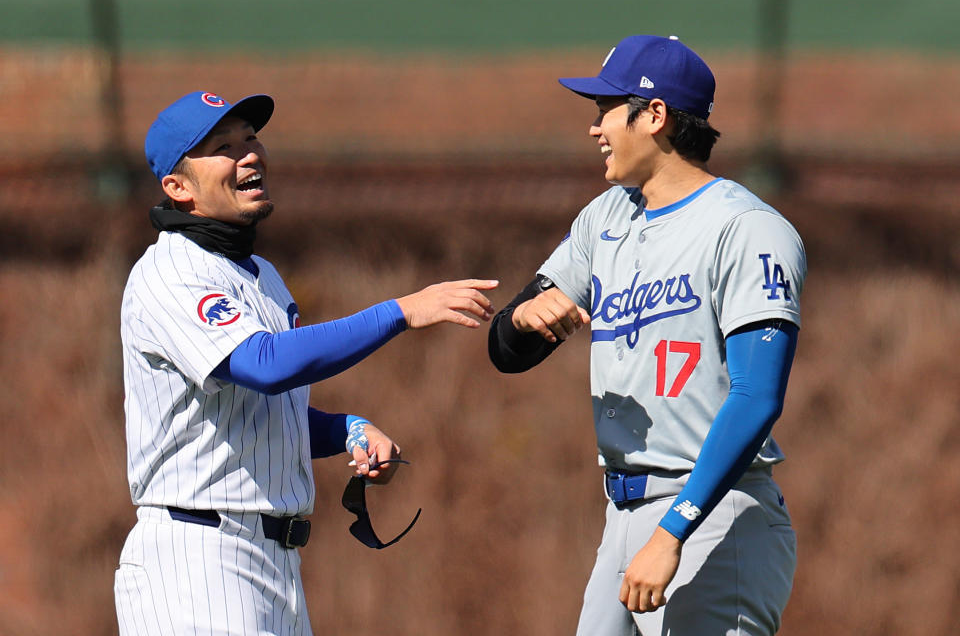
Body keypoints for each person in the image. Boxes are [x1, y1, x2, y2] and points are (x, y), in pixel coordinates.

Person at [114, 90, 498, 635]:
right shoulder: (170, 272)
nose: (248, 155)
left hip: (275, 564)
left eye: (250, 139)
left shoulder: (261, 276)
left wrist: (347, 430)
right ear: (177, 188)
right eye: (223, 147)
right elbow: (265, 364)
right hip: (197, 558)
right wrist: (401, 311)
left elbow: (261, 409)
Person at [488, 35, 806, 635]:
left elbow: (757, 396)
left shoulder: (747, 229)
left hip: (713, 514)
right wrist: (522, 321)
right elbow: (505, 350)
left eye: (605, 108)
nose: (593, 129)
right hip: (622, 513)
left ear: (654, 115)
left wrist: (673, 530)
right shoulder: (605, 216)